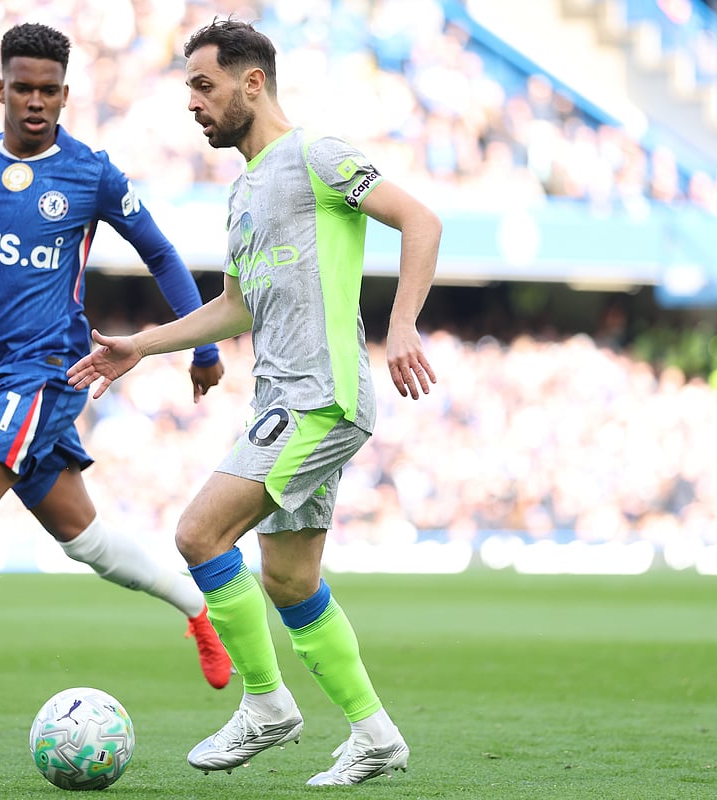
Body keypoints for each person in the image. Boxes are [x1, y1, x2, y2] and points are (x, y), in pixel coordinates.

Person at [67, 18, 441, 786]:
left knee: (199, 535)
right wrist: (145, 344)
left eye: (204, 86)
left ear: (253, 82)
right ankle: (375, 736)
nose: (194, 104)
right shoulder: (242, 192)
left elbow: (420, 220)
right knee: (291, 581)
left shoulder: (316, 154)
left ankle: (266, 704)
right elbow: (234, 308)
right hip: (284, 397)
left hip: (321, 396)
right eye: (190, 91)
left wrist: (401, 324)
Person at [0, 22, 232, 740]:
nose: (35, 101)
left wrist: (203, 345)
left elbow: (161, 252)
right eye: (22, 88)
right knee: (82, 540)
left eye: (49, 91)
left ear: (66, 94)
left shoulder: (90, 173)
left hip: (50, 368)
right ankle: (197, 609)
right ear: (0, 89)